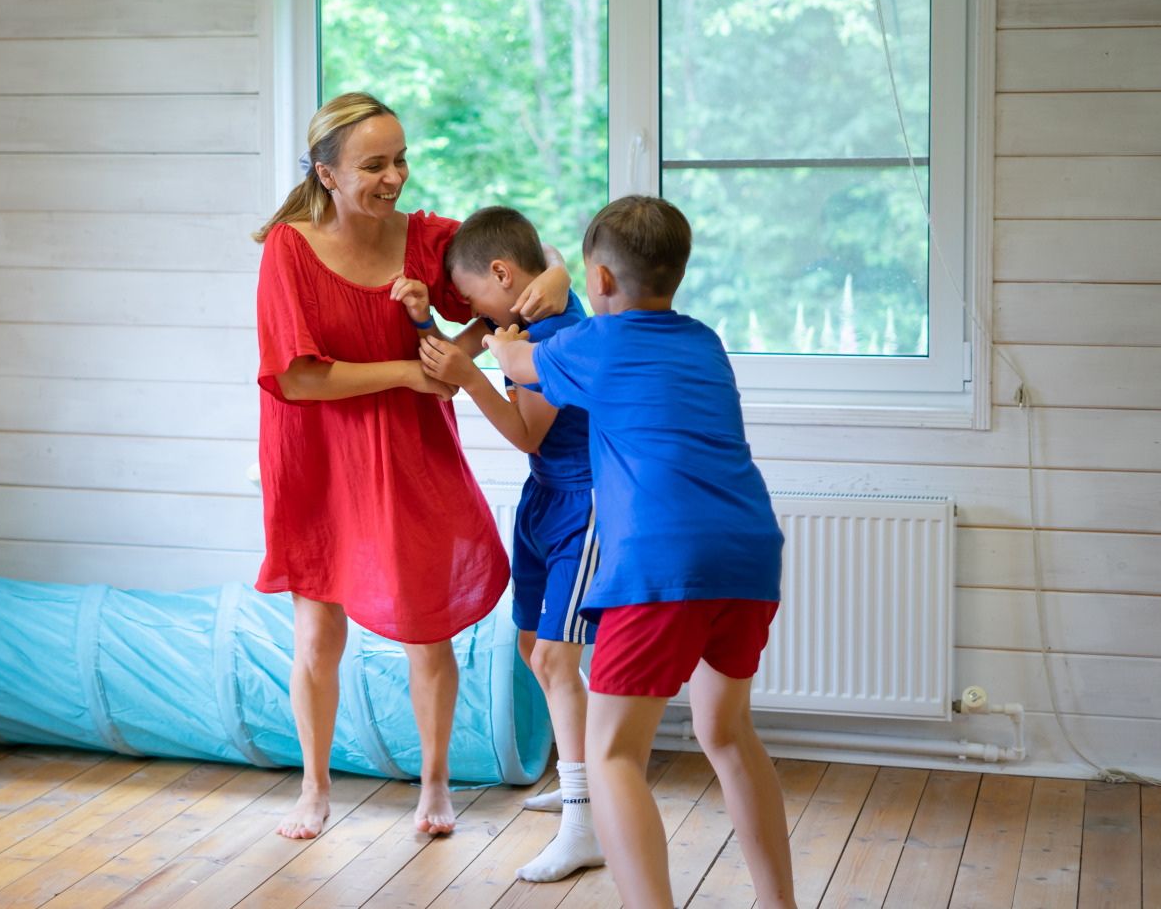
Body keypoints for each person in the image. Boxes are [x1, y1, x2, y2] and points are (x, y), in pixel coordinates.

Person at [253, 93, 570, 840]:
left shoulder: (427, 239)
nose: (395, 176)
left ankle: (435, 787)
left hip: (411, 451)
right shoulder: (288, 250)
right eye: (374, 164)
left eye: (400, 158)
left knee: (426, 625)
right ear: (326, 174)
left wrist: (552, 276)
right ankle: (314, 786)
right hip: (318, 455)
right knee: (316, 633)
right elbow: (296, 378)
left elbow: (517, 264)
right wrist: (404, 373)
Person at [485, 195, 795, 909]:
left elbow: (509, 354)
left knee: (613, 755)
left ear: (597, 279)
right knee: (726, 730)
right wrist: (573, 274)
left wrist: (551, 273)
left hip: (658, 567)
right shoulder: (704, 341)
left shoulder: (595, 345)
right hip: (747, 559)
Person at [407, 206, 604, 883]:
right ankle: (584, 779)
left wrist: (471, 380)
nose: (474, 314)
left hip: (587, 502)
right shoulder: (522, 302)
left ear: (501, 274)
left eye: (472, 300)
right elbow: (543, 251)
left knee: (553, 657)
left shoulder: (560, 336)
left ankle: (584, 820)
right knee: (532, 648)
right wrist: (427, 324)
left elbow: (527, 433)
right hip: (543, 499)